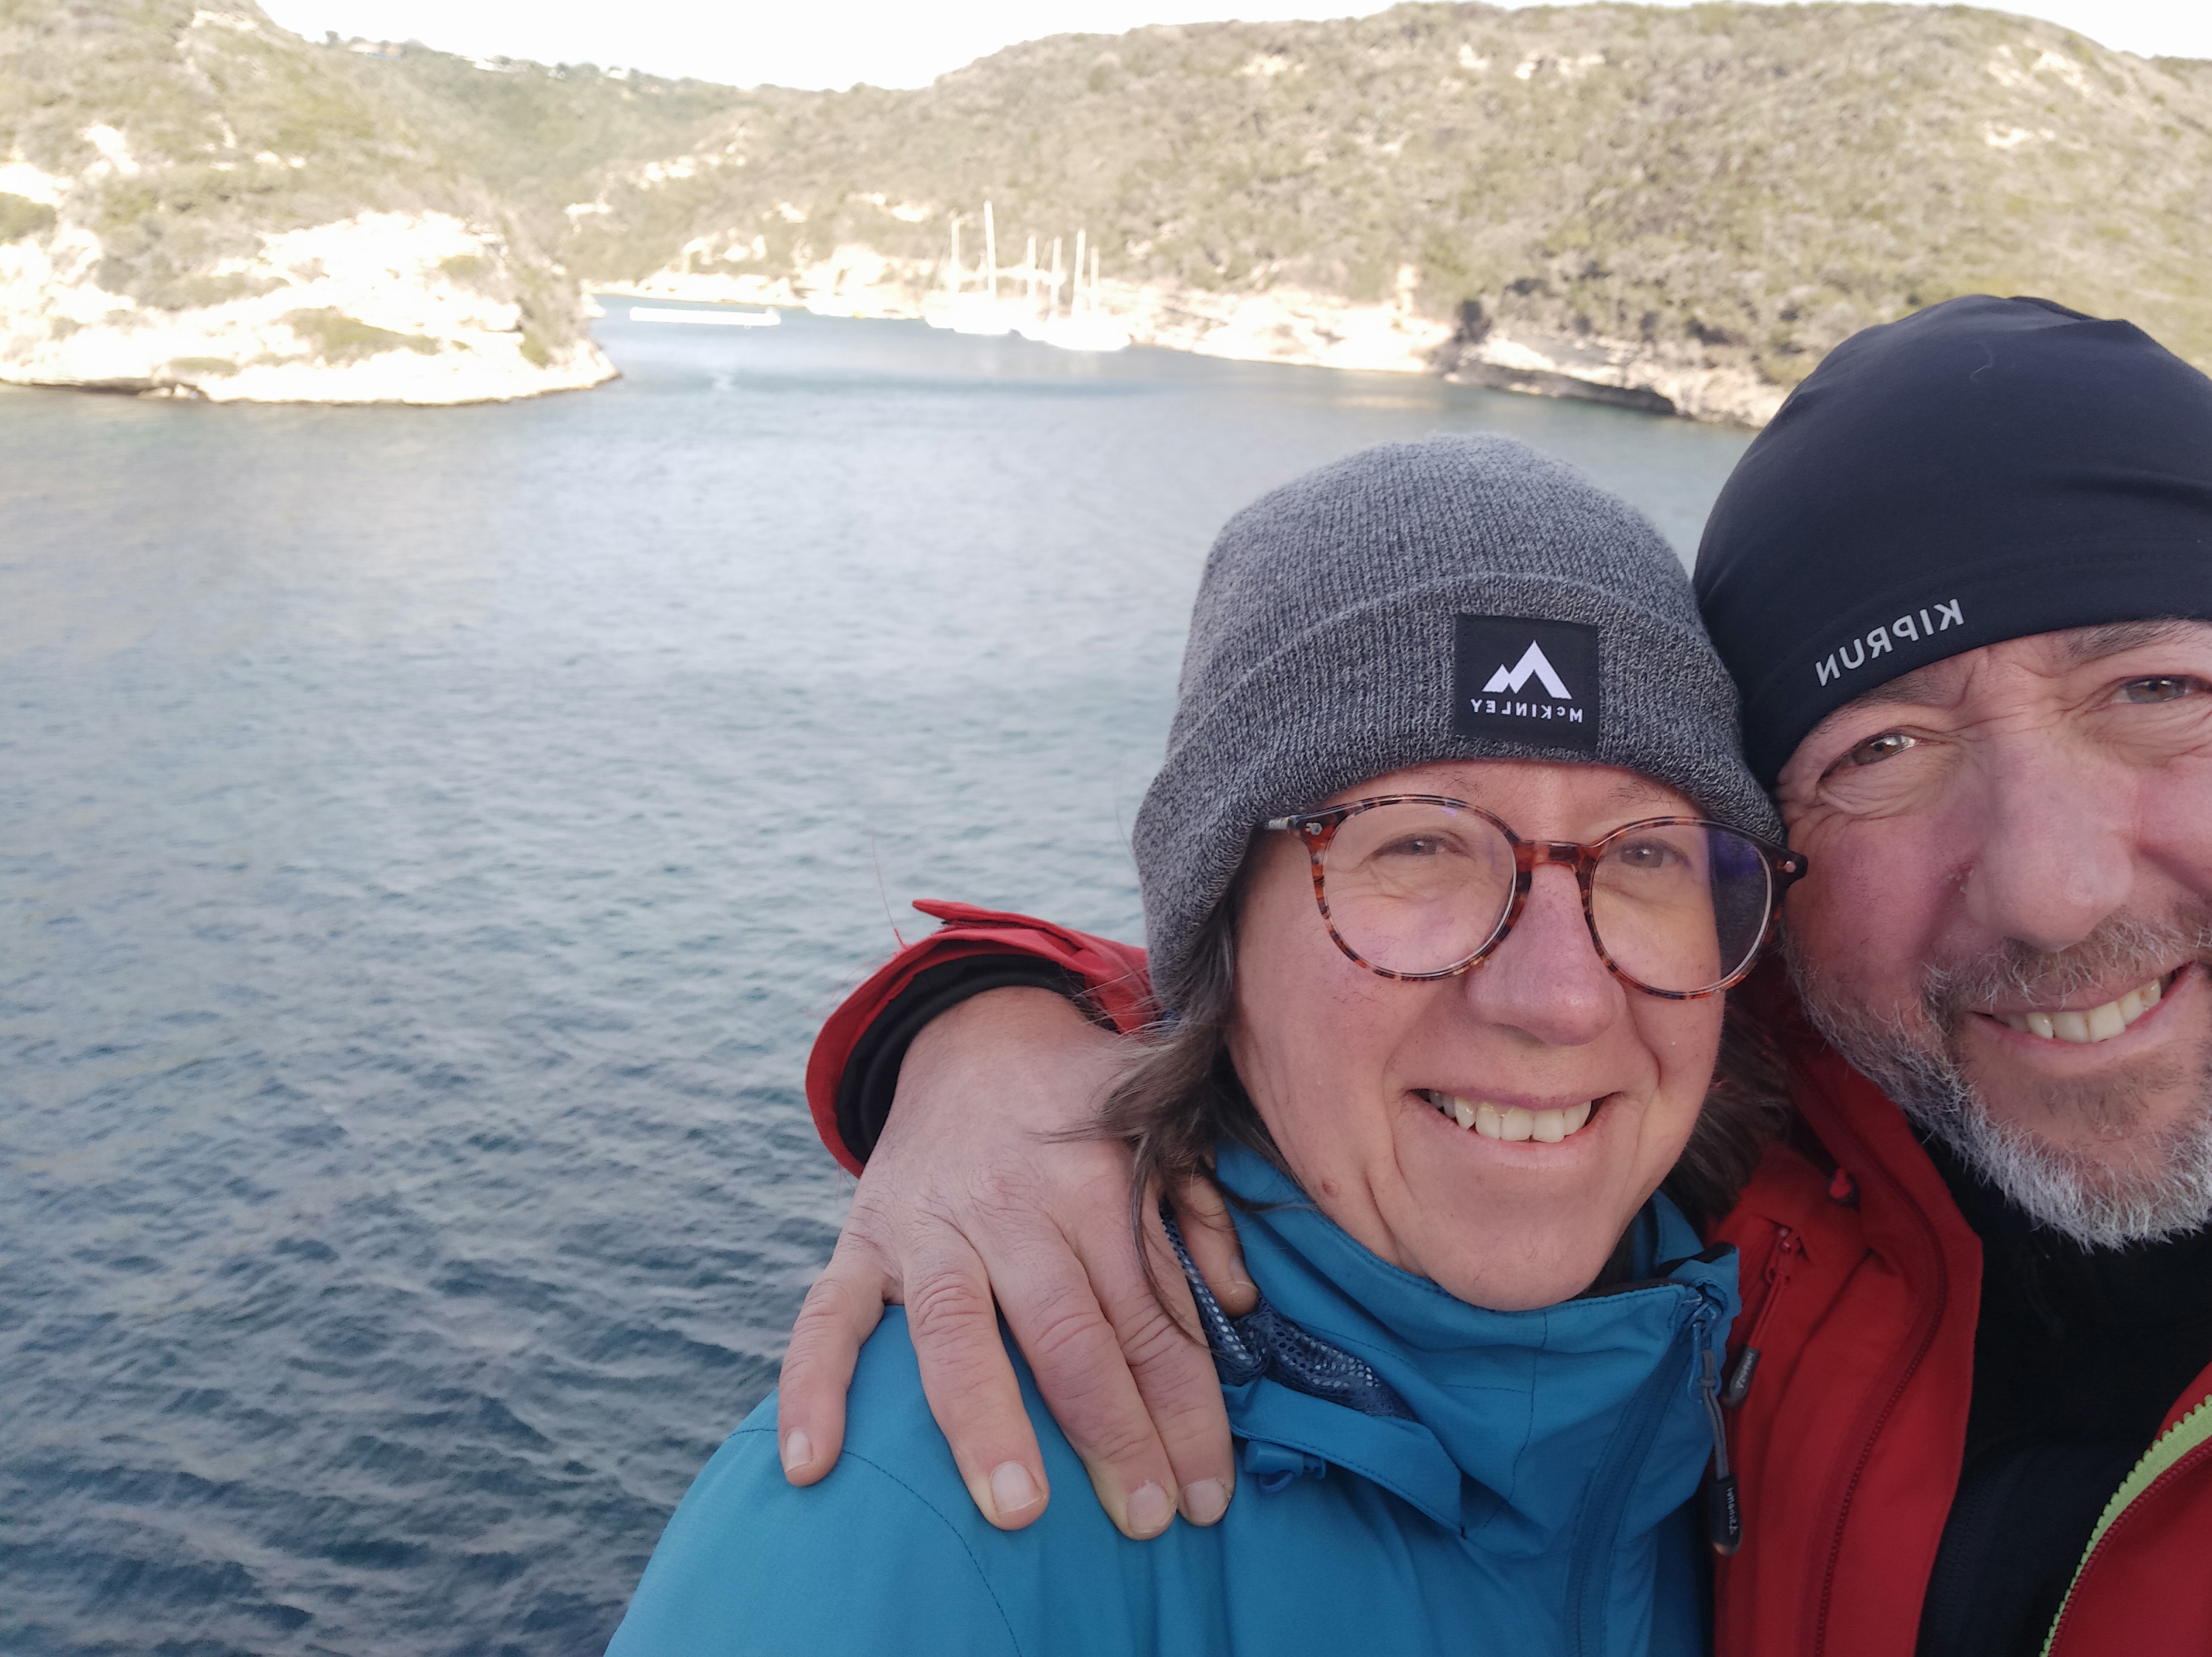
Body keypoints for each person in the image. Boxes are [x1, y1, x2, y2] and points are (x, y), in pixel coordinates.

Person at [777, 297, 2212, 1657]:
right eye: (1882, 749)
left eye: (2159, 692)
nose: (2049, 888)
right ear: (1783, 880)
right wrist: (999, 1035)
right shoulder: (1770, 1096)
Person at [607, 436, 1814, 1654]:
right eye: (1420, 845)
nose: (1560, 997)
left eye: (1648, 851)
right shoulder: (917, 1517)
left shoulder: (1749, 1357)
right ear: (1222, 926)